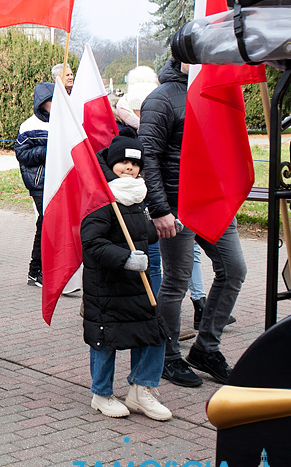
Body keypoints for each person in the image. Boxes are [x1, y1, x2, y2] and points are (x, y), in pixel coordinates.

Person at [139, 58, 247, 388]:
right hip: (177, 204)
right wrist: (159, 209)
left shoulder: (216, 91)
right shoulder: (161, 98)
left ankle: (205, 349)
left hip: (213, 203)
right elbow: (148, 156)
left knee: (235, 269)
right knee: (177, 281)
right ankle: (168, 356)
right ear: (182, 56)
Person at [81, 136, 171, 421]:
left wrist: (160, 230)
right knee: (107, 339)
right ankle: (101, 393)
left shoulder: (137, 196)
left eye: (135, 163)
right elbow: (92, 243)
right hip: (107, 285)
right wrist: (125, 259)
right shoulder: (101, 198)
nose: (129, 168)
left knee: (155, 333)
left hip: (137, 284)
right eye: (123, 162)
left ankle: (141, 390)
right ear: (110, 164)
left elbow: (138, 232)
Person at [14, 82, 55, 288]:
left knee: (53, 225)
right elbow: (21, 155)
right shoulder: (29, 126)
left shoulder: (64, 122)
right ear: (41, 103)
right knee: (47, 224)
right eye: (49, 101)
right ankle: (36, 270)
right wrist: (48, 151)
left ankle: (50, 270)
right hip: (39, 183)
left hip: (60, 181)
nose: (53, 104)